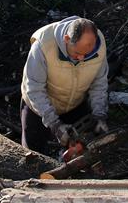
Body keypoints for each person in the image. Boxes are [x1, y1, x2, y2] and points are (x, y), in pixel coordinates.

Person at [20, 16, 109, 153]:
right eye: (77, 53)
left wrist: (99, 115)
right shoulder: (43, 46)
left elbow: (99, 83)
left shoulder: (99, 45)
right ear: (66, 39)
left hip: (75, 103)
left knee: (82, 152)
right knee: (33, 155)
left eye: (87, 54)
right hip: (39, 107)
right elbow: (35, 89)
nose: (82, 58)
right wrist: (55, 124)